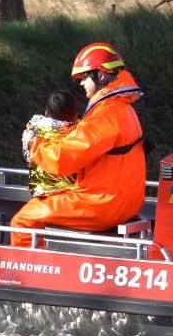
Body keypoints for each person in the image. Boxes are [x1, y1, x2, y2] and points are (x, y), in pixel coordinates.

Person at [10, 43, 147, 247]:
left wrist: (33, 143)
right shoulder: (124, 109)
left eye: (84, 77)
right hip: (125, 202)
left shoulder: (105, 114)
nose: (81, 84)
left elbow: (62, 159)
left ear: (101, 75)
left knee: (22, 222)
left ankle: (28, 277)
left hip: (101, 203)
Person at [24, 89, 79, 197]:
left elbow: (27, 157)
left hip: (39, 193)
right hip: (70, 197)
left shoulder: (31, 131)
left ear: (46, 112)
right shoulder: (79, 133)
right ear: (75, 115)